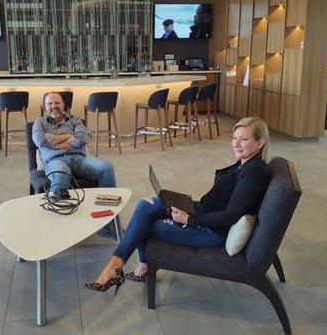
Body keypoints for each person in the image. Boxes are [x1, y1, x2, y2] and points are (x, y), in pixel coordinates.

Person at [85, 117, 271, 293]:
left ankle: (119, 268)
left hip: (210, 231)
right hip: (201, 212)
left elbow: (230, 216)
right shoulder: (246, 164)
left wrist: (189, 218)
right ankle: (131, 266)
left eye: (243, 139)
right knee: (145, 205)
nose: (235, 144)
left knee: (143, 224)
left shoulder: (254, 172)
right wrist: (184, 206)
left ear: (260, 142)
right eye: (234, 138)